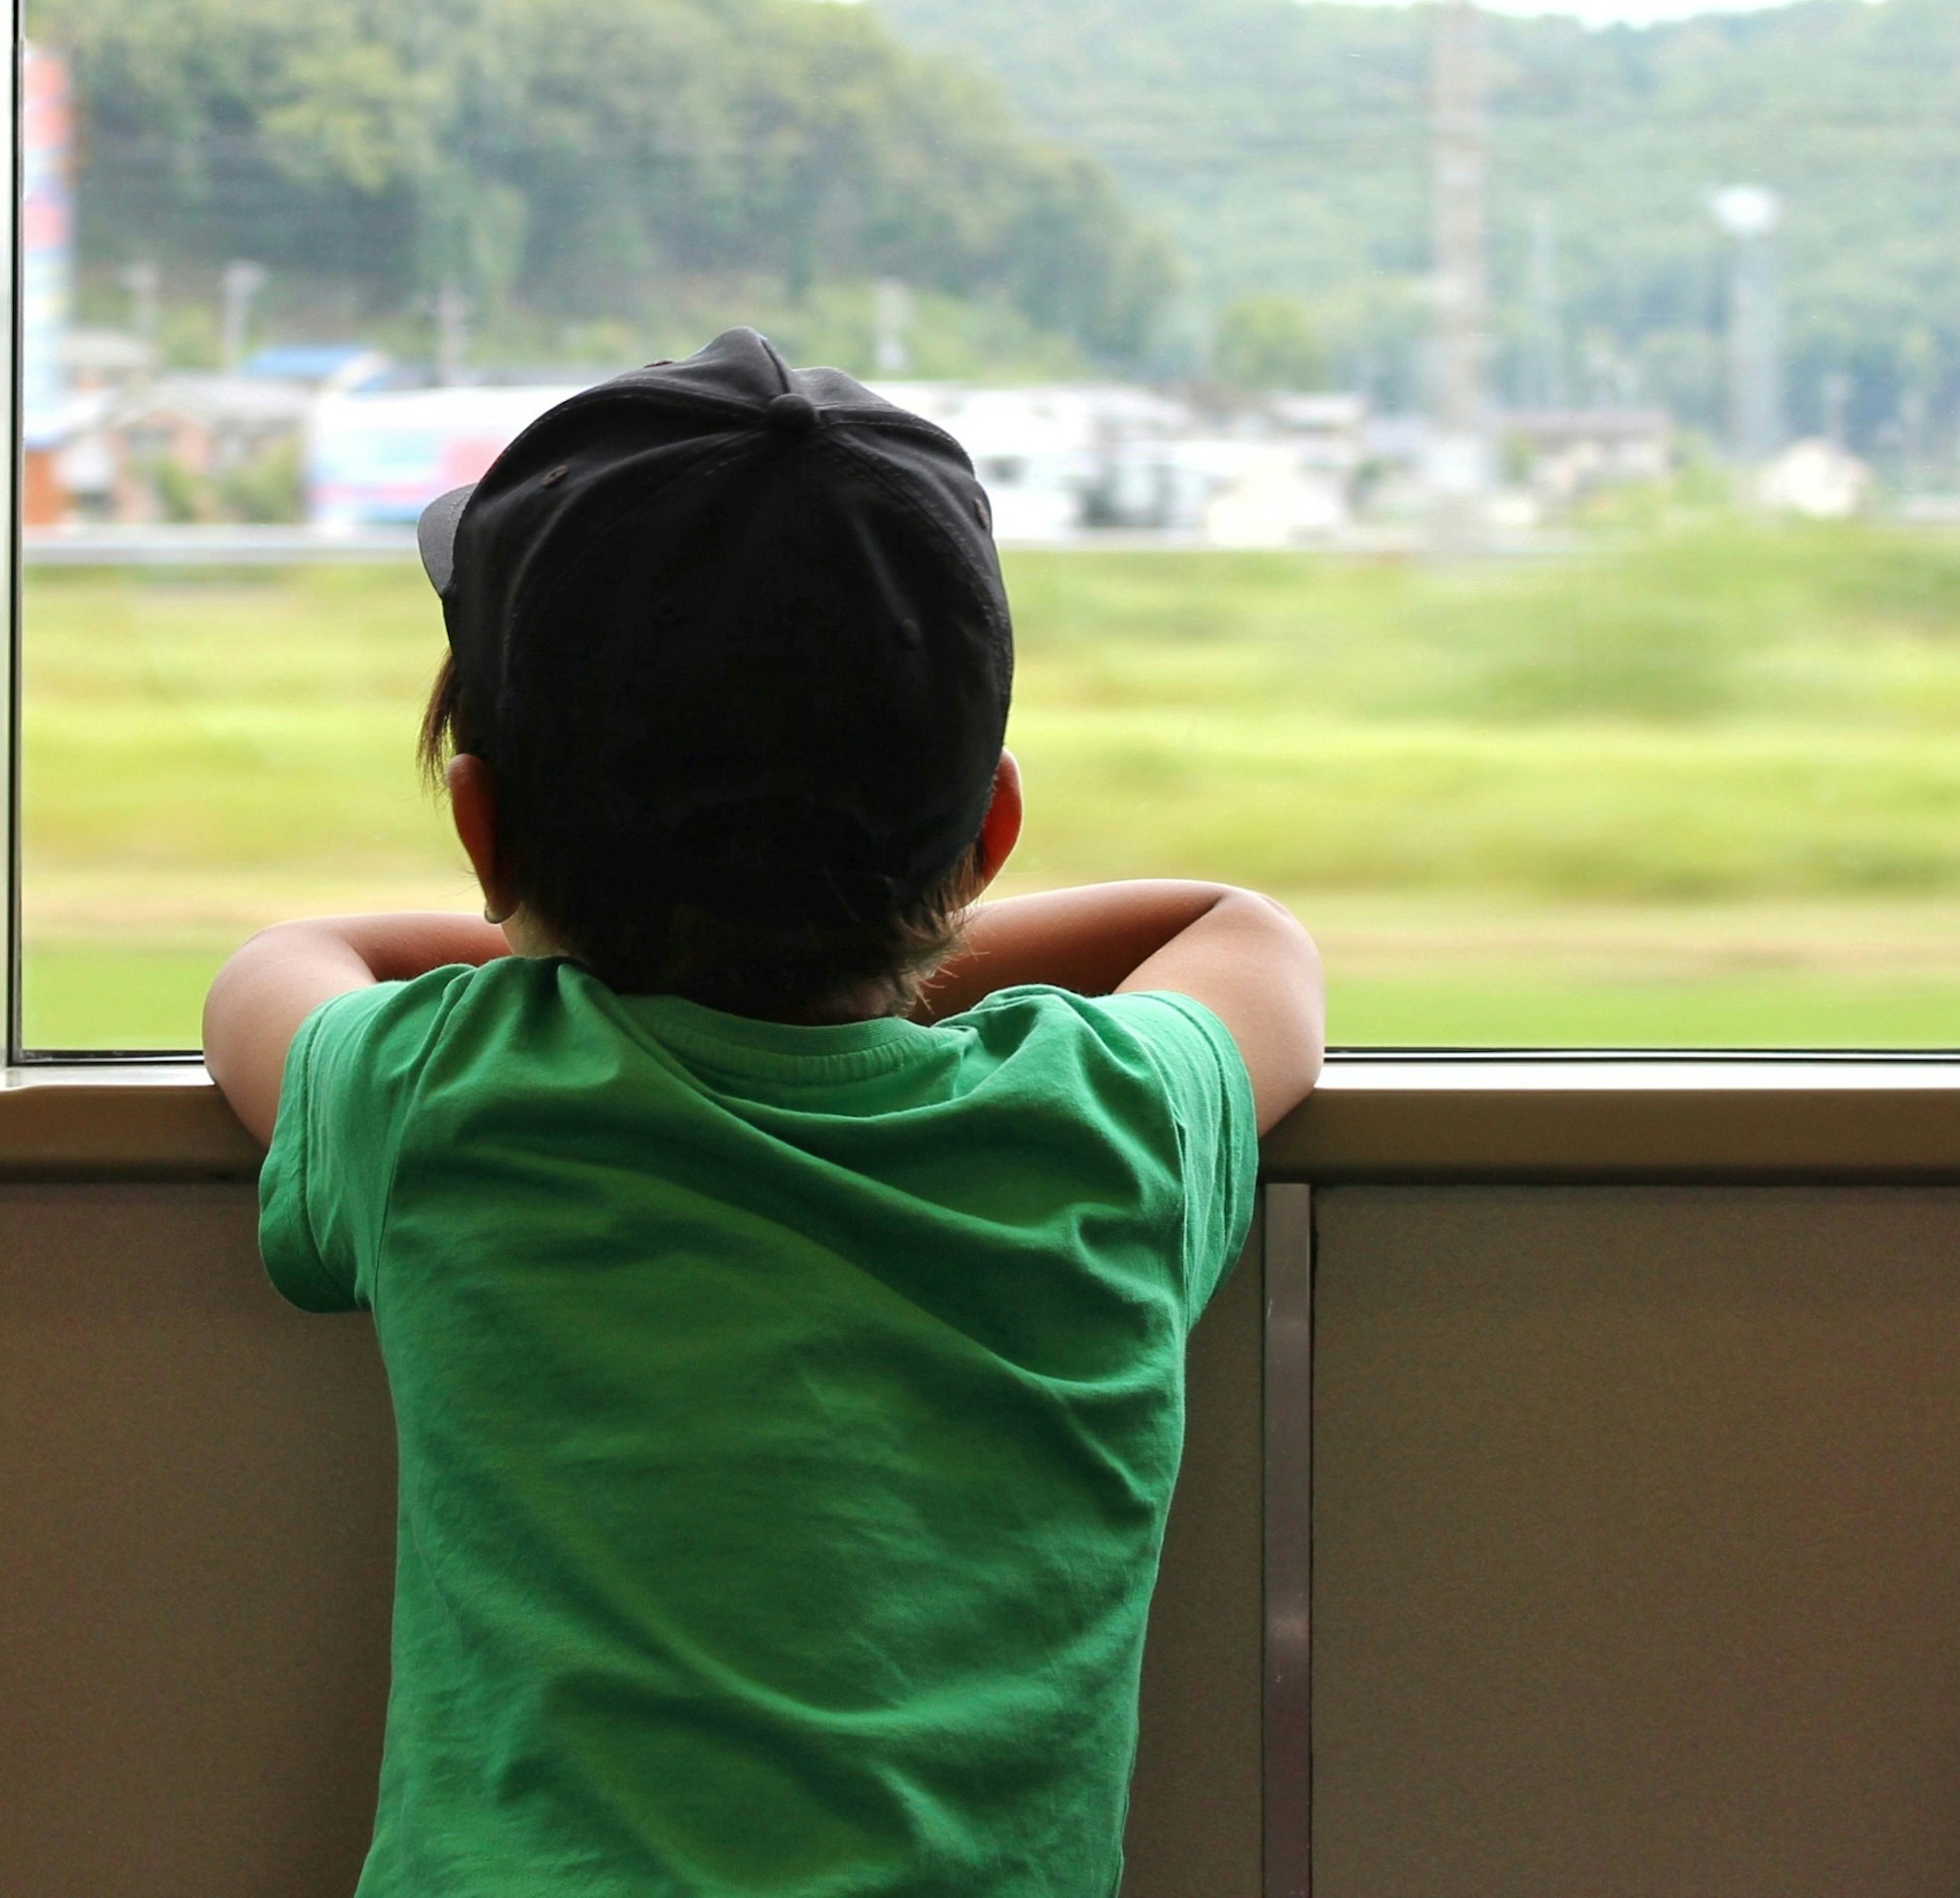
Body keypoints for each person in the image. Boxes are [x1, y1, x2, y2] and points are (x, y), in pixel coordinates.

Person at [203, 328, 1324, 1896]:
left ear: (482, 829)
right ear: (992, 827)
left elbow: (281, 967)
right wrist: (885, 912)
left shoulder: (448, 1092)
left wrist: (565, 934)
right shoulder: (1105, 1123)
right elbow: (1243, 933)